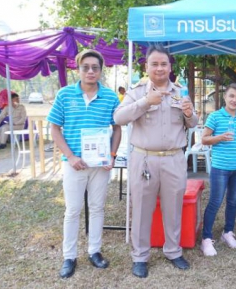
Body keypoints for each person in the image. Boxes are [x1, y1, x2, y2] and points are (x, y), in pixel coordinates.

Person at [113, 44, 198, 278]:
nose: (159, 68)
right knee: (141, 209)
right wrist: (145, 102)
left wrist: (190, 114)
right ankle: (140, 256)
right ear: (146, 66)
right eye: (155, 64)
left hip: (174, 159)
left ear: (170, 67)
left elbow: (193, 123)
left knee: (173, 208)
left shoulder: (180, 91)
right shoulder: (137, 91)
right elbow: (118, 117)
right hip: (144, 159)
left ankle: (173, 251)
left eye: (164, 64)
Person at [47, 49, 122, 279]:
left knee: (97, 208)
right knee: (73, 210)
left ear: (101, 70)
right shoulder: (65, 95)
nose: (90, 71)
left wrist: (111, 154)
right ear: (78, 69)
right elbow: (54, 129)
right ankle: (69, 256)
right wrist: (70, 156)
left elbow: (117, 127)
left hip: (99, 165)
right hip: (74, 164)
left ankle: (94, 251)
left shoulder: (110, 97)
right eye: (86, 67)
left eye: (95, 68)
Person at [199, 83, 236, 257]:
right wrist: (219, 137)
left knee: (233, 201)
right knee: (215, 202)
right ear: (225, 97)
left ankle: (228, 232)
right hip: (220, 167)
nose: (234, 100)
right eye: (231, 96)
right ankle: (206, 238)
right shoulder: (215, 117)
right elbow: (204, 139)